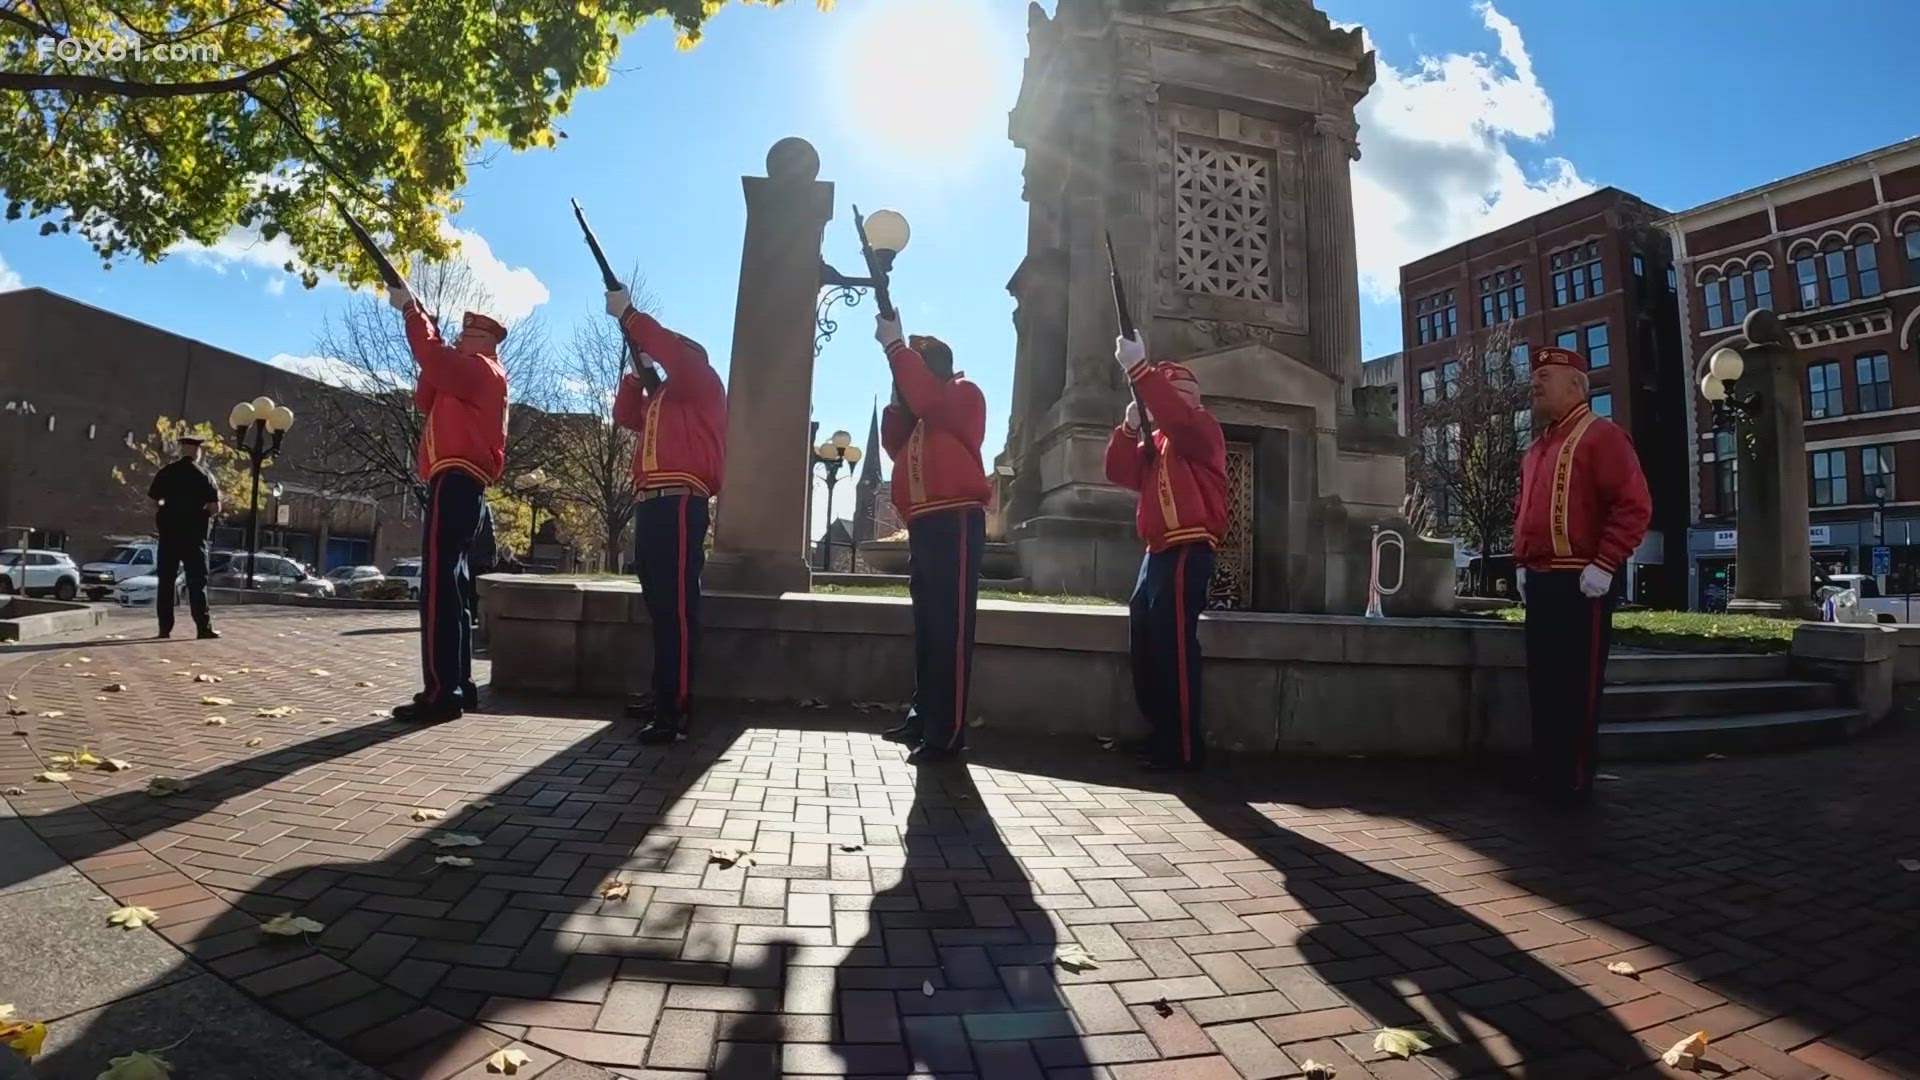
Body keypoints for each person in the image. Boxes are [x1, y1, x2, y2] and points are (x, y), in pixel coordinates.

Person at [1513, 346, 1650, 806]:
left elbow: (1633, 506)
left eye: (1545, 375)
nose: (1535, 383)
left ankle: (1572, 780)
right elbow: (1523, 512)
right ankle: (1547, 771)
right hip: (1541, 580)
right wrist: (1520, 562)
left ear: (1576, 384)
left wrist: (1605, 563)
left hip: (1582, 581)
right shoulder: (1534, 450)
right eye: (1534, 376)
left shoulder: (1603, 437)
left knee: (1577, 686)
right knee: (1544, 683)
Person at [608, 287, 727, 745]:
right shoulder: (664, 400)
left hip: (680, 501)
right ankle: (663, 693)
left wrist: (633, 319)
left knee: (676, 608)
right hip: (652, 502)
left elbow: (675, 353)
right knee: (661, 608)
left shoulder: (700, 380)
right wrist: (636, 374)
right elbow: (625, 416)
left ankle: (674, 707)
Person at [1103, 335, 1226, 772]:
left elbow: (1178, 417)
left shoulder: (1200, 427)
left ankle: (1183, 746)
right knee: (1148, 646)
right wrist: (1129, 427)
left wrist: (1141, 372)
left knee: (1174, 647)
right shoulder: (1160, 443)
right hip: (1156, 552)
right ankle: (1160, 733)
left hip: (1188, 546)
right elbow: (1119, 471)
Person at [387, 286, 510, 723]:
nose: (460, 340)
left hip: (456, 479)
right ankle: (457, 684)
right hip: (460, 481)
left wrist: (412, 314)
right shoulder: (469, 373)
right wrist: (429, 334)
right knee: (452, 587)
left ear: (486, 341)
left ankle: (442, 690)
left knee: (440, 585)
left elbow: (436, 361)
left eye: (467, 335)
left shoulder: (482, 369)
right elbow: (426, 394)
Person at [873, 313, 990, 765]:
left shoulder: (960, 393)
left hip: (955, 520)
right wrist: (896, 394)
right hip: (924, 523)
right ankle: (924, 716)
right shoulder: (921, 410)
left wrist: (896, 351)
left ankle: (948, 732)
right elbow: (893, 441)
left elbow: (929, 402)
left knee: (951, 629)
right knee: (928, 629)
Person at [146, 433, 221, 640]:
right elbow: (215, 507)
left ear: (181, 449)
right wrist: (200, 514)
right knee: (197, 582)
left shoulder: (166, 473)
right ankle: (203, 628)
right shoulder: (204, 475)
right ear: (198, 451)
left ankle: (164, 629)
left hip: (169, 535)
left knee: (166, 583)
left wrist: (166, 509)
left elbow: (152, 501)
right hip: (194, 537)